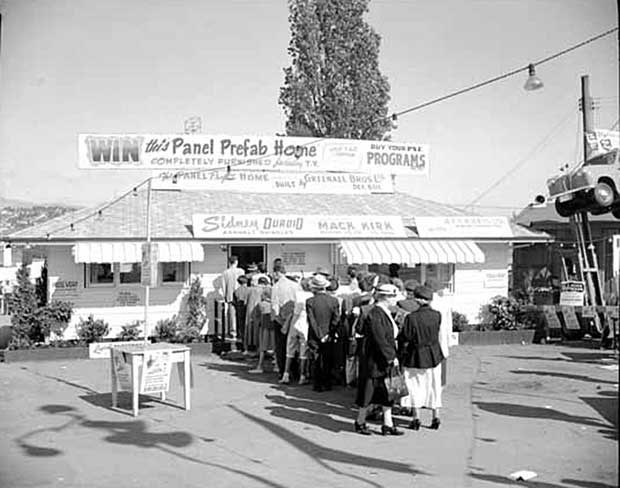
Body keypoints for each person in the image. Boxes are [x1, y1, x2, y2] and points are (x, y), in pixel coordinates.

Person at [354, 283, 404, 436]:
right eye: (393, 297)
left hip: (383, 358)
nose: (395, 300)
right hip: (376, 359)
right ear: (386, 297)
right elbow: (379, 338)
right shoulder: (376, 313)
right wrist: (391, 357)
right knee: (369, 390)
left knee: (388, 391)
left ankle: (388, 424)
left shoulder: (384, 311)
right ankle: (360, 421)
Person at [397, 285, 444, 430]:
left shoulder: (411, 317)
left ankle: (416, 418)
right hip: (434, 354)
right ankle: (436, 416)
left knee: (414, 385)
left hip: (415, 355)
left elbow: (406, 337)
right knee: (434, 385)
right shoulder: (437, 315)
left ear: (417, 300)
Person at [306, 273, 340, 392]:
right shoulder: (334, 301)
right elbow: (336, 320)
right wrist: (329, 334)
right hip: (329, 334)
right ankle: (327, 382)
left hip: (315, 334)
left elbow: (312, 320)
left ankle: (318, 384)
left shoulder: (310, 301)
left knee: (316, 359)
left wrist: (319, 335)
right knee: (327, 359)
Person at [280, 277, 313, 385]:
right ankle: (302, 375)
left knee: (290, 349)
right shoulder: (311, 296)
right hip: (305, 322)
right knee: (304, 351)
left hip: (295, 321)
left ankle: (286, 374)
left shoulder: (297, 294)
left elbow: (293, 310)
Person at [271, 266, 299, 380]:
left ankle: (283, 371)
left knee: (281, 346)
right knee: (293, 345)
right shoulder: (294, 285)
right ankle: (295, 370)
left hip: (281, 318)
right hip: (293, 317)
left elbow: (274, 306)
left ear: (277, 273)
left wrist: (277, 318)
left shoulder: (276, 287)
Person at [425, 278, 453, 387]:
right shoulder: (445, 302)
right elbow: (449, 323)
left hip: (431, 334)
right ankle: (441, 382)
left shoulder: (430, 302)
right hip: (443, 333)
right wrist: (449, 339)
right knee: (442, 355)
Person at [249, 279, 275, 373]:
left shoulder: (261, 304)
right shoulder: (273, 304)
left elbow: (255, 316)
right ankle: (277, 366)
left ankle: (260, 366)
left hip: (264, 326)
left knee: (263, 348)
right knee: (275, 346)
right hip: (274, 326)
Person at [220, 255, 245, 339]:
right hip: (241, 295)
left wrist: (225, 295)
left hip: (230, 296)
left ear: (229, 262)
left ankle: (233, 332)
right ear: (236, 262)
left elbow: (223, 286)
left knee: (232, 315)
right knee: (241, 314)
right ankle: (240, 331)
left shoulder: (225, 273)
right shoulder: (241, 271)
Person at [233, 275, 250, 349]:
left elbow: (234, 302)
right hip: (248, 308)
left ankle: (243, 344)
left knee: (241, 327)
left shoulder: (236, 291)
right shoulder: (249, 290)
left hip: (239, 309)